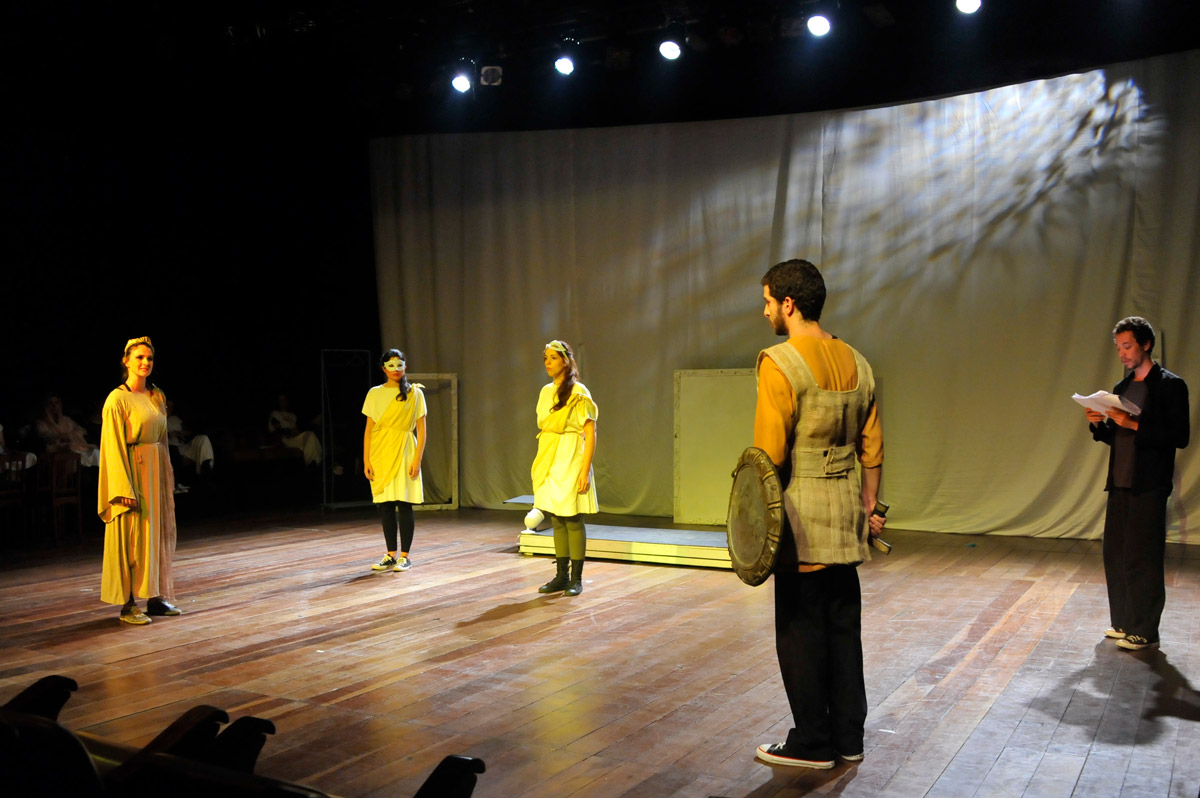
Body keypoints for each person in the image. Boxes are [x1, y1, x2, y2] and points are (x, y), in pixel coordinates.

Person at [751, 259, 886, 769]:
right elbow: (872, 447)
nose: (765, 310)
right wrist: (869, 504)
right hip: (846, 514)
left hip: (800, 518)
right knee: (843, 630)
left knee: (800, 632)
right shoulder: (858, 360)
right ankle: (849, 738)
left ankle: (811, 743)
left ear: (789, 303)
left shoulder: (779, 362)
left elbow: (769, 455)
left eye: (768, 301)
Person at [1084, 316, 1189, 651]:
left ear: (1146, 344)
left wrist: (1134, 424)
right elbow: (1117, 437)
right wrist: (1098, 424)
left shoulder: (1171, 385)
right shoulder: (1122, 387)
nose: (1123, 354)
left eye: (1127, 346)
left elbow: (1180, 436)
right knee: (1116, 554)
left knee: (1143, 557)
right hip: (1119, 481)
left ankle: (1145, 630)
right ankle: (1124, 622)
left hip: (1149, 484)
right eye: (1119, 348)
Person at [97, 337, 181, 625]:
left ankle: (154, 597)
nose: (145, 363)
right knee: (132, 536)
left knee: (155, 534)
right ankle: (129, 603)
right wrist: (122, 487)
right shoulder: (117, 399)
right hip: (133, 472)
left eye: (149, 358)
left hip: (154, 473)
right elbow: (112, 447)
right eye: (139, 358)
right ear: (126, 361)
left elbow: (162, 440)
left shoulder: (156, 396)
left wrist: (166, 474)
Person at [531, 340, 598, 596]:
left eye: (553, 358)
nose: (548, 362)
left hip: (571, 454)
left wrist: (585, 469)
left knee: (572, 517)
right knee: (556, 517)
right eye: (545, 358)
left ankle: (576, 579)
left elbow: (590, 433)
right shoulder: (545, 391)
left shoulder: (578, 391)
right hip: (549, 453)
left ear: (565, 361)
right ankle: (561, 575)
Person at [362, 349, 426, 572]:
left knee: (404, 502)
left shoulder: (415, 393)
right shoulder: (374, 393)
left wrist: (417, 459)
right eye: (390, 365)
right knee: (386, 504)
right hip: (381, 450)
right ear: (383, 369)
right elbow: (369, 430)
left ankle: (405, 556)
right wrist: (366, 460)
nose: (395, 369)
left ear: (405, 366)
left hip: (405, 449)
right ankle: (390, 554)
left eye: (399, 365)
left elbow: (422, 430)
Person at [36, 393, 100, 467]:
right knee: (71, 452)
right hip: (59, 450)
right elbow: (46, 436)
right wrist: (61, 438)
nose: (54, 406)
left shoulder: (67, 420)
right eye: (51, 403)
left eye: (56, 403)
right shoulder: (41, 423)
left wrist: (73, 435)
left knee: (95, 452)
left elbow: (81, 430)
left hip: (74, 446)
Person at [268, 393, 323, 466]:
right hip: (284, 439)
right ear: (278, 402)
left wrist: (295, 431)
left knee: (310, 435)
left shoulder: (292, 415)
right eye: (280, 400)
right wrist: (289, 429)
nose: (282, 402)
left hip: (294, 438)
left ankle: (314, 462)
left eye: (284, 400)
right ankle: (314, 463)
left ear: (287, 401)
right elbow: (277, 427)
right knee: (308, 441)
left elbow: (295, 429)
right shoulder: (275, 413)